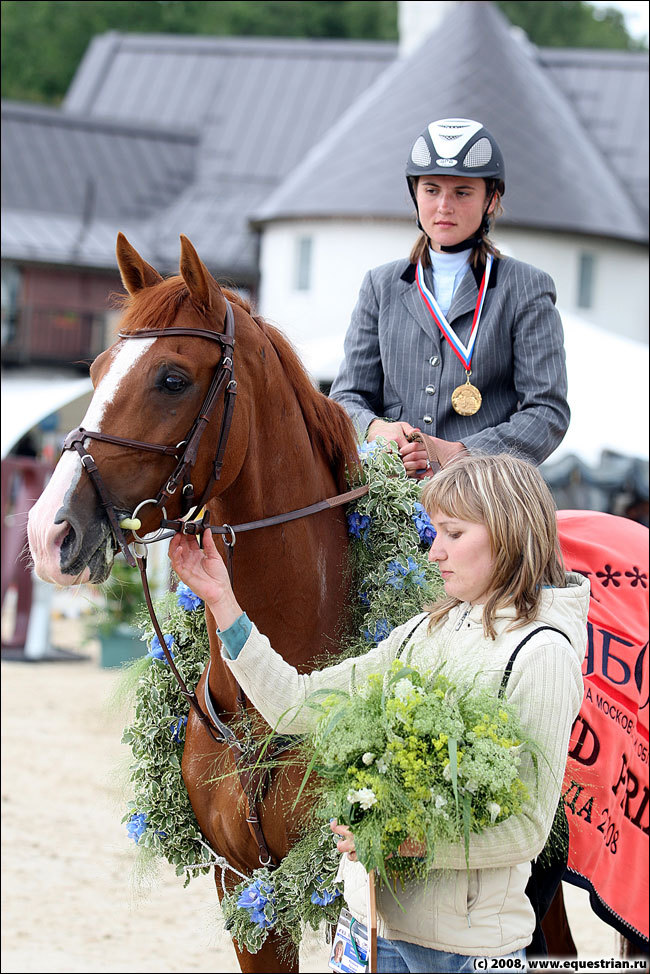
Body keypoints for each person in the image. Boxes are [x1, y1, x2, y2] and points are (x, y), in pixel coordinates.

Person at [169, 453, 588, 973]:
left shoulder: (543, 655)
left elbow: (527, 828)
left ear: (507, 533)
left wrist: (403, 840)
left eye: (453, 534)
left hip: (465, 952)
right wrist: (222, 601)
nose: (434, 552)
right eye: (435, 533)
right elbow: (297, 705)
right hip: (369, 929)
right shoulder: (423, 632)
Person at [329, 118, 570, 477]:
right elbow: (346, 397)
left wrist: (462, 452)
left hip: (483, 496)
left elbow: (547, 410)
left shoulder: (526, 287)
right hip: (391, 488)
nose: (444, 205)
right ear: (415, 194)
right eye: (431, 190)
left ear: (491, 199)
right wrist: (376, 430)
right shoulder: (380, 285)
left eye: (462, 192)